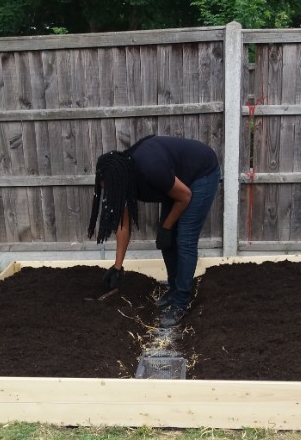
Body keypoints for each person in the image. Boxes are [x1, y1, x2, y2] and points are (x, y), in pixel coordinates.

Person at [88, 135, 221, 327]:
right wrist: (117, 267)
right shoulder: (122, 180)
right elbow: (122, 225)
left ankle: (181, 303)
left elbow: (184, 196)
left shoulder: (149, 168)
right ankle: (175, 288)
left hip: (201, 175)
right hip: (176, 179)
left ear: (119, 179)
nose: (109, 192)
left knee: (185, 239)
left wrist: (167, 227)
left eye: (110, 188)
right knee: (166, 240)